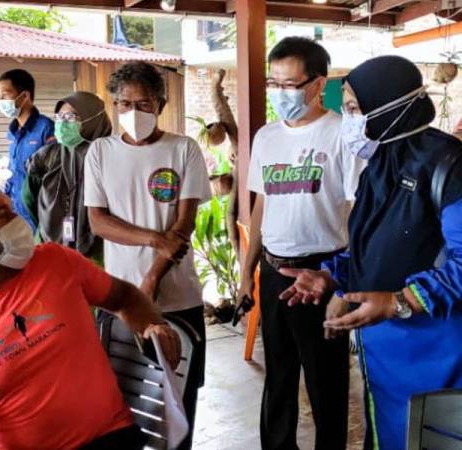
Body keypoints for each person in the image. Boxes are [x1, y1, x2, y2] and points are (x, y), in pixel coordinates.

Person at [0, 176, 182, 450]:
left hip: (109, 440)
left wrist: (152, 326)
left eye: (11, 208)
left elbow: (125, 298)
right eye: (2, 217)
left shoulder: (56, 261)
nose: (18, 221)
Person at [280, 55, 462, 450]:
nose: (348, 122)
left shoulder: (449, 166)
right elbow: (371, 246)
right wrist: (331, 276)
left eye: (353, 110)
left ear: (388, 108)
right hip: (385, 355)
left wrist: (400, 301)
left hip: (436, 355)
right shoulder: (380, 165)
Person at [238, 37, 365, 450]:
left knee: (325, 380)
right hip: (275, 271)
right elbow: (260, 207)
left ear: (317, 84)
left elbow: (354, 208)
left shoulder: (341, 135)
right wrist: (246, 275)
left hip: (321, 273)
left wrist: (340, 279)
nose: (280, 93)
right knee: (278, 375)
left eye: (290, 84)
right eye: (274, 83)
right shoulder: (266, 137)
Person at [84, 61, 211, 449]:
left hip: (177, 299)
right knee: (123, 401)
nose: (133, 113)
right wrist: (155, 240)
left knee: (179, 402)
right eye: (124, 104)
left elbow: (183, 226)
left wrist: (152, 278)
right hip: (120, 299)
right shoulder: (100, 152)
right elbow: (99, 222)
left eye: (143, 104)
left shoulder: (183, 149)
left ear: (160, 103)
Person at [23, 92, 111, 260]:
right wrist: (48, 220)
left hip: (101, 249)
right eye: (59, 117)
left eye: (71, 117)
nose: (62, 123)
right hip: (49, 246)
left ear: (92, 119)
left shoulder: (110, 157)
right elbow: (28, 197)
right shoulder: (47, 156)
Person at [0, 69, 55, 230]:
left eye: (5, 95)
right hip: (18, 214)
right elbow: (14, 173)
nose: (1, 101)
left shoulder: (46, 129)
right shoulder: (13, 133)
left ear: (25, 96)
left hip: (40, 214)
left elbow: (54, 178)